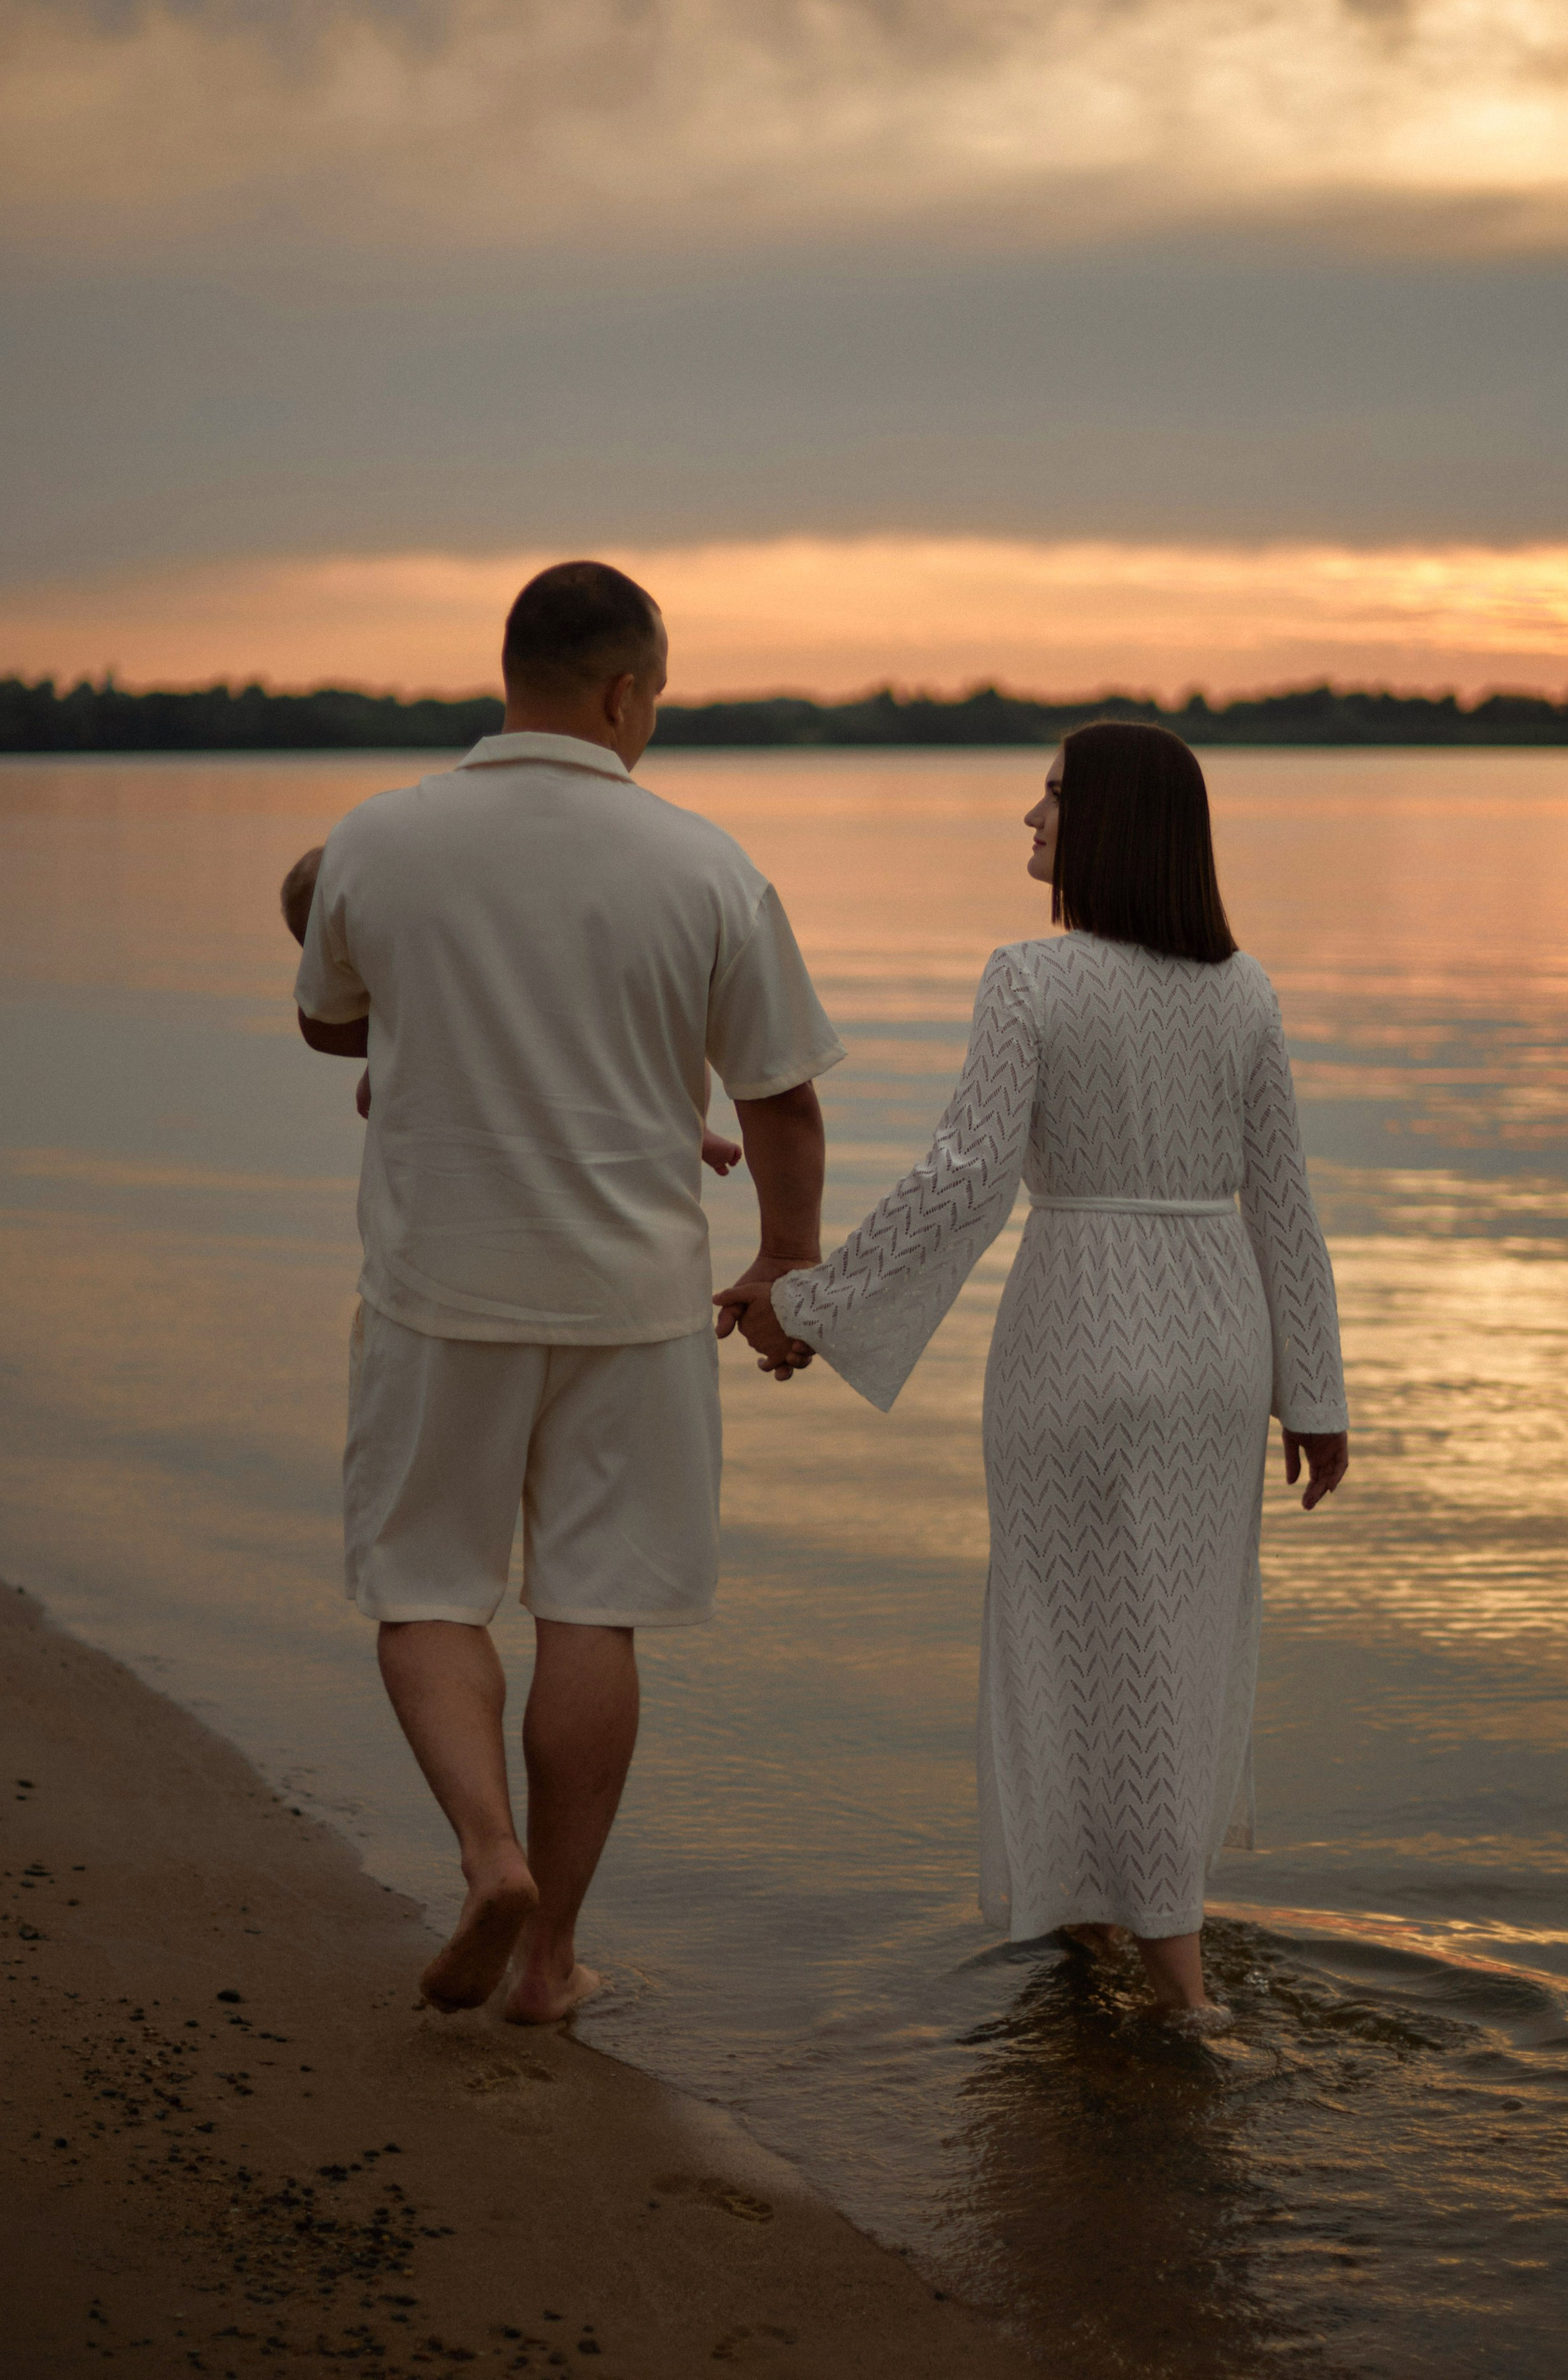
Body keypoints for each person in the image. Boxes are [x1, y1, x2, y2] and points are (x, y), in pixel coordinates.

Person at [717, 722, 1347, 2028]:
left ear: (1110, 823)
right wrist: (1318, 1397)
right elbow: (1286, 1207)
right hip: (1218, 1347)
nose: (1031, 819)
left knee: (1070, 1643)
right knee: (1173, 1642)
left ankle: (1175, 1978)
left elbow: (966, 1179)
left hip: (1079, 1338)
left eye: (1052, 797)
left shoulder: (1030, 981)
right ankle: (1104, 1927)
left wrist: (810, 1302)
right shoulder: (1249, 994)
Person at [293, 560, 842, 2024]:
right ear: (623, 692)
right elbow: (780, 1098)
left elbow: (330, 1021)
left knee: (424, 1591)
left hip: (437, 1286)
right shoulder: (706, 865)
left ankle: (487, 1854)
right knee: (593, 1613)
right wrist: (786, 1262)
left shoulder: (379, 838)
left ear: (507, 676)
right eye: (653, 696)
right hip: (634, 1305)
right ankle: (550, 1961)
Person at [281, 848, 746, 1175]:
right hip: (569, 1052)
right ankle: (694, 1127)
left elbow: (371, 1095)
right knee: (664, 1041)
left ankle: (695, 1128)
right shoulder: (428, 930)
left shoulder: (401, 1004)